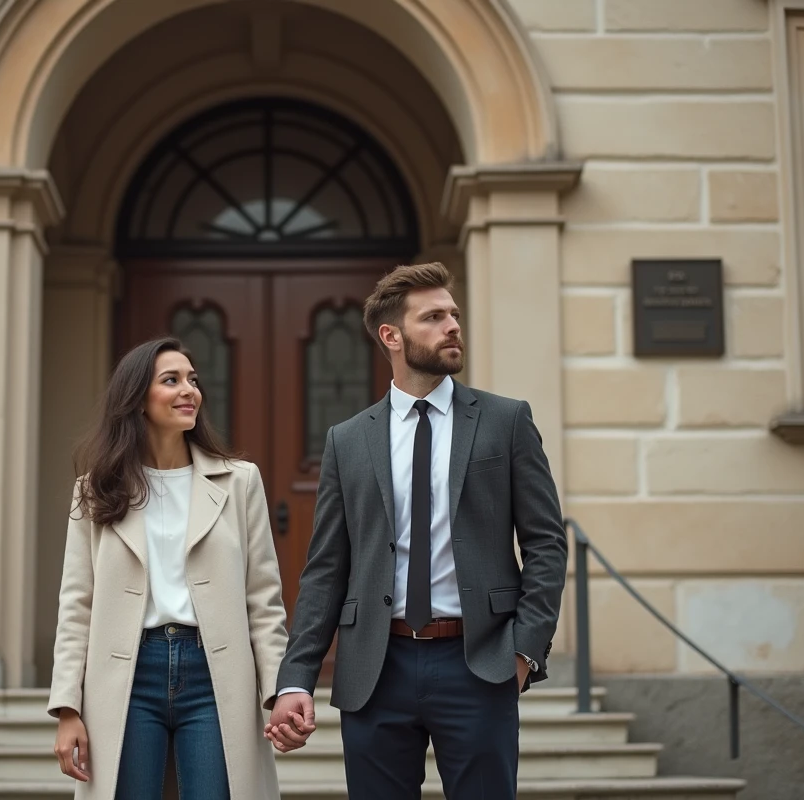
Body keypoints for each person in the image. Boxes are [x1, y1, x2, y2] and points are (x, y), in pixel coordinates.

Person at [267, 262, 569, 799]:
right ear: (392, 336)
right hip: (375, 668)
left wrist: (524, 651)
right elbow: (326, 568)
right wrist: (297, 676)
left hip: (479, 661)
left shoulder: (506, 421)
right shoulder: (348, 439)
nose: (452, 325)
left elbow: (546, 542)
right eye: (433, 317)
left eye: (454, 314)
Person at [48, 337, 288, 800]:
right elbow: (76, 603)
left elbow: (264, 599)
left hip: (215, 672)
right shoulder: (95, 489)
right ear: (137, 399)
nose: (189, 391)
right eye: (171, 380)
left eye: (193, 381)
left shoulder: (240, 482)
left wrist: (277, 691)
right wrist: (67, 708)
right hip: (127, 674)